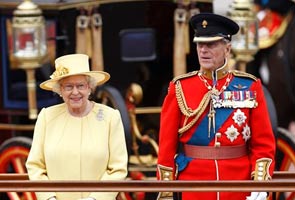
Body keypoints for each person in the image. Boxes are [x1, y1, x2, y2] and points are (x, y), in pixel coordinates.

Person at [156, 13, 276, 200]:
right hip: (195, 187)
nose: (203, 50)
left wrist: (260, 185)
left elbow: (263, 144)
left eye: (211, 44)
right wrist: (166, 192)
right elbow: (166, 148)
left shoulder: (250, 86)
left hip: (239, 185)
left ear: (227, 49)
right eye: (199, 44)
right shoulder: (180, 87)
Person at [26, 54, 128, 200]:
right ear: (60, 90)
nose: (75, 92)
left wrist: (94, 199)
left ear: (89, 88)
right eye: (68, 86)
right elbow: (35, 166)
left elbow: (118, 168)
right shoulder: (46, 117)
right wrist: (49, 198)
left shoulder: (110, 117)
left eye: (80, 85)